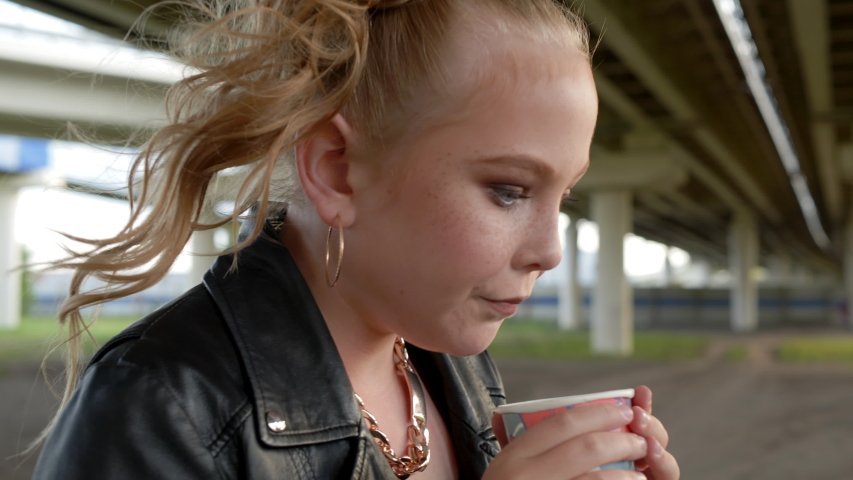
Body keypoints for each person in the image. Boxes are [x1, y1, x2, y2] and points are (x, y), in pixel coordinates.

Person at [32, 0, 680, 478]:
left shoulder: (444, 355)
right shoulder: (160, 405)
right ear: (337, 172)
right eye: (509, 191)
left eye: (564, 197)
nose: (550, 251)